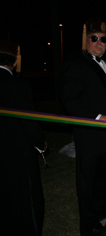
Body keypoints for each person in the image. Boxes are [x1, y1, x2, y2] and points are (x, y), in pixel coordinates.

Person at [58, 18, 106, 236]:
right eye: (94, 38)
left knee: (104, 177)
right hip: (91, 133)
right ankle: (89, 226)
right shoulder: (75, 63)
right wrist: (97, 117)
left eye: (103, 39)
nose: (99, 43)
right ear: (85, 40)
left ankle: (101, 209)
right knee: (88, 183)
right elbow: (69, 100)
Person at [0, 40, 46, 235]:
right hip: (17, 155)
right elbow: (29, 121)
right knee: (26, 203)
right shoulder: (18, 85)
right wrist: (41, 144)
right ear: (15, 62)